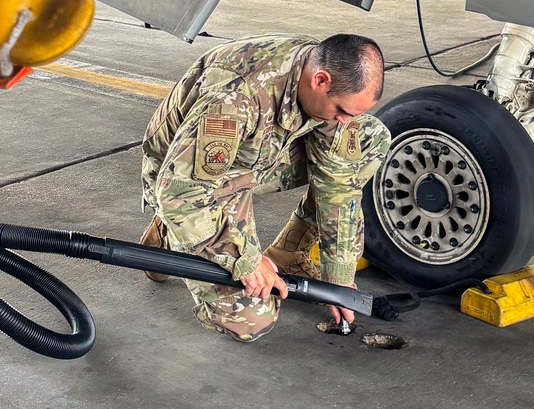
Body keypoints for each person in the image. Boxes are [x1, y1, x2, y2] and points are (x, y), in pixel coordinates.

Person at [140, 32, 389, 342]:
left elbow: (338, 183)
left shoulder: (317, 75)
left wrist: (338, 277)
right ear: (321, 80)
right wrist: (246, 259)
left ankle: (288, 251)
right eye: (340, 110)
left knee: (366, 138)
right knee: (250, 317)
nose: (342, 121)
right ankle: (170, 230)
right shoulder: (236, 94)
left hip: (253, 157)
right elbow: (179, 190)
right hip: (192, 182)